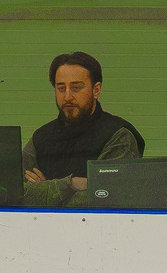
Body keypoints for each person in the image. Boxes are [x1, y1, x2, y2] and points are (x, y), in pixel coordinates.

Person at [22, 52, 142, 209]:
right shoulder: (41, 138)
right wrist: (71, 184)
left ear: (96, 90)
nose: (67, 96)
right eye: (61, 88)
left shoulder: (118, 136)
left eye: (76, 87)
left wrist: (45, 190)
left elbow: (107, 196)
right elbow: (15, 194)